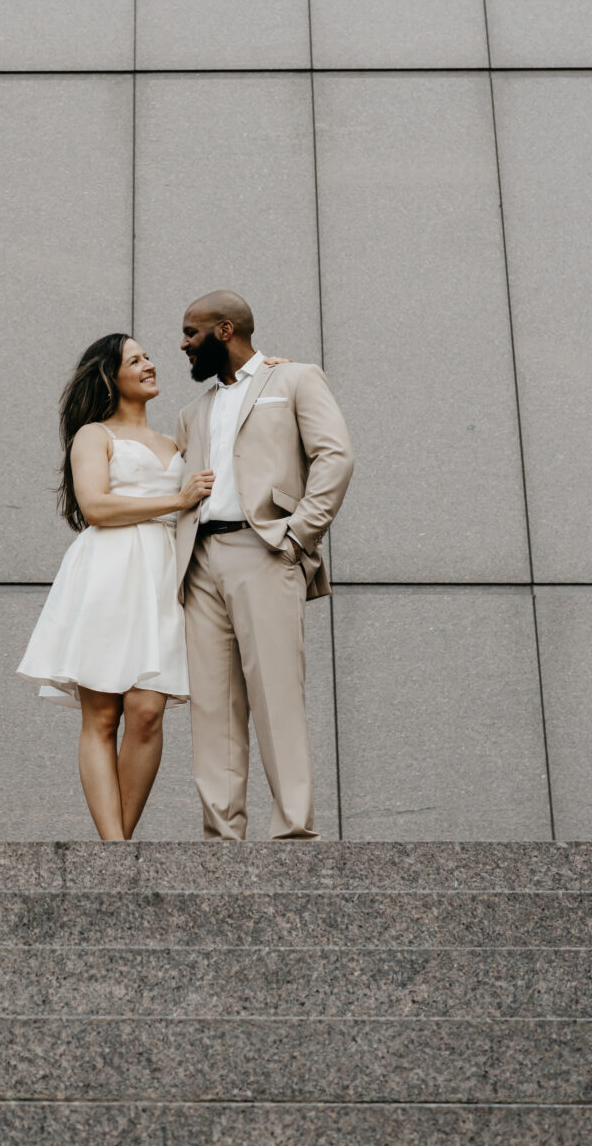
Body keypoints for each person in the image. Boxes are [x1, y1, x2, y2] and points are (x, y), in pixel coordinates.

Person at [16, 333, 214, 841]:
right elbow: (96, 507)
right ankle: (115, 851)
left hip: (161, 578)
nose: (150, 364)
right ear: (112, 375)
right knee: (102, 717)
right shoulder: (93, 435)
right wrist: (176, 502)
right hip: (108, 572)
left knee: (148, 713)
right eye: (136, 359)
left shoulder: (177, 442)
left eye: (148, 356)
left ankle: (115, 852)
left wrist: (266, 365)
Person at [175, 292, 354, 841]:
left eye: (191, 332)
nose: (183, 344)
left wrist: (299, 535)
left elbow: (336, 456)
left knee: (276, 697)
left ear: (225, 330)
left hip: (265, 550)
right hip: (200, 562)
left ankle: (293, 836)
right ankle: (221, 839)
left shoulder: (295, 379)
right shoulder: (192, 412)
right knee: (212, 706)